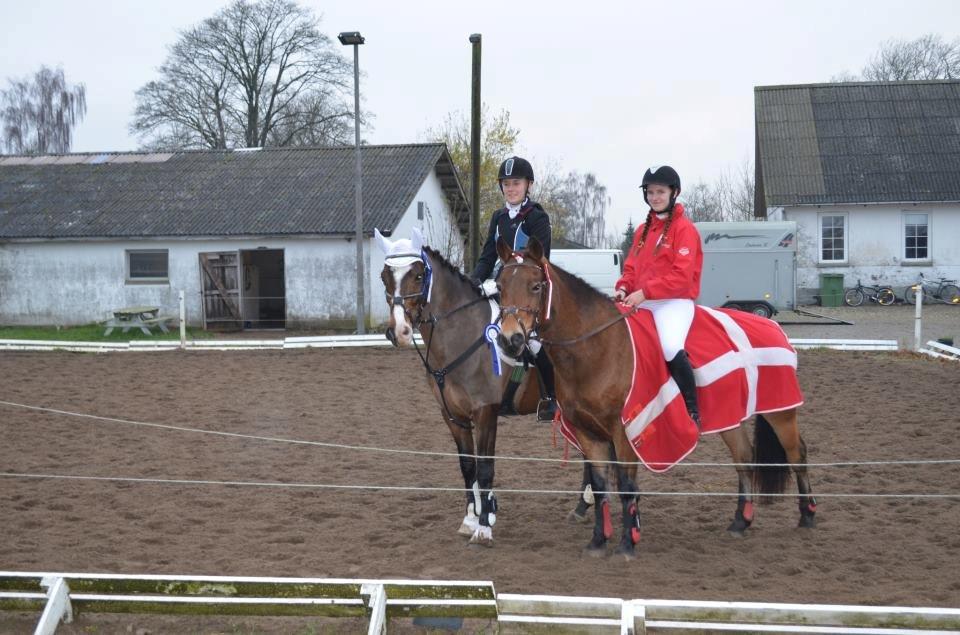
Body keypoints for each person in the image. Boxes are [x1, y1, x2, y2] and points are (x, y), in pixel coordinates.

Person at [614, 165, 704, 429]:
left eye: (660, 192)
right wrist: (622, 287)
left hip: (674, 302)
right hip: (643, 299)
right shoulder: (643, 230)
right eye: (651, 192)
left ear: (673, 193)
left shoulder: (685, 229)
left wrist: (644, 293)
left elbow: (681, 277)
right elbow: (631, 268)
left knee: (669, 347)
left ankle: (692, 409)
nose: (655, 197)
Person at [471, 156, 557, 422]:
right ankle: (492, 393)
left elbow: (540, 258)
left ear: (527, 185)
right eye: (506, 184)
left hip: (529, 290)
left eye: (516, 183)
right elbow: (487, 256)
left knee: (530, 343)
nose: (511, 189)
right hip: (504, 287)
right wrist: (474, 280)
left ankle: (551, 397)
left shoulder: (537, 217)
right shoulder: (498, 218)